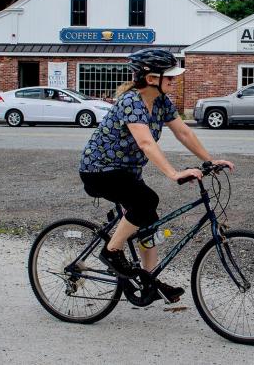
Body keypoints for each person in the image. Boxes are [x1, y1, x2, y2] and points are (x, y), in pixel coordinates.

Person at [79, 48, 234, 303]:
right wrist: (173, 173)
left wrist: (209, 160)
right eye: (170, 77)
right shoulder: (131, 101)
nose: (174, 81)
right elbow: (146, 143)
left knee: (148, 221)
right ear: (151, 78)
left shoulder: (161, 101)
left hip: (127, 172)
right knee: (146, 201)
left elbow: (184, 133)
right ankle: (112, 251)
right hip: (99, 171)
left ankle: (148, 279)